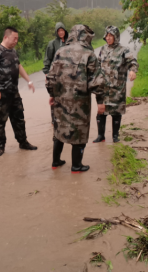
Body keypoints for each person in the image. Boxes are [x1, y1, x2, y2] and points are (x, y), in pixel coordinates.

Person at [45, 24, 105, 172]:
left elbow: (50, 77)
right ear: (85, 35)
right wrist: (101, 101)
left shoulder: (60, 51)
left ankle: (56, 161)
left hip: (60, 101)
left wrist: (52, 94)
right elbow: (96, 82)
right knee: (79, 131)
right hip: (80, 103)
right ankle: (76, 165)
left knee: (59, 130)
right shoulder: (88, 53)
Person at [0, 26, 38, 156]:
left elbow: (19, 66)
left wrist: (29, 80)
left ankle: (23, 142)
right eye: (14, 38)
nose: (16, 41)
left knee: (19, 118)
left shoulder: (13, 51)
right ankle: (0, 146)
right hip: (1, 93)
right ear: (6, 37)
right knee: (0, 121)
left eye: (17, 38)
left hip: (14, 92)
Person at [93, 26, 138, 143]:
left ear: (116, 37)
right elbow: (97, 66)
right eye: (107, 36)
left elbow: (132, 62)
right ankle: (100, 136)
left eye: (110, 36)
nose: (108, 38)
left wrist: (132, 70)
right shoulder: (102, 49)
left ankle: (115, 136)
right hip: (103, 88)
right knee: (101, 112)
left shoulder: (124, 50)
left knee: (116, 113)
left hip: (117, 89)